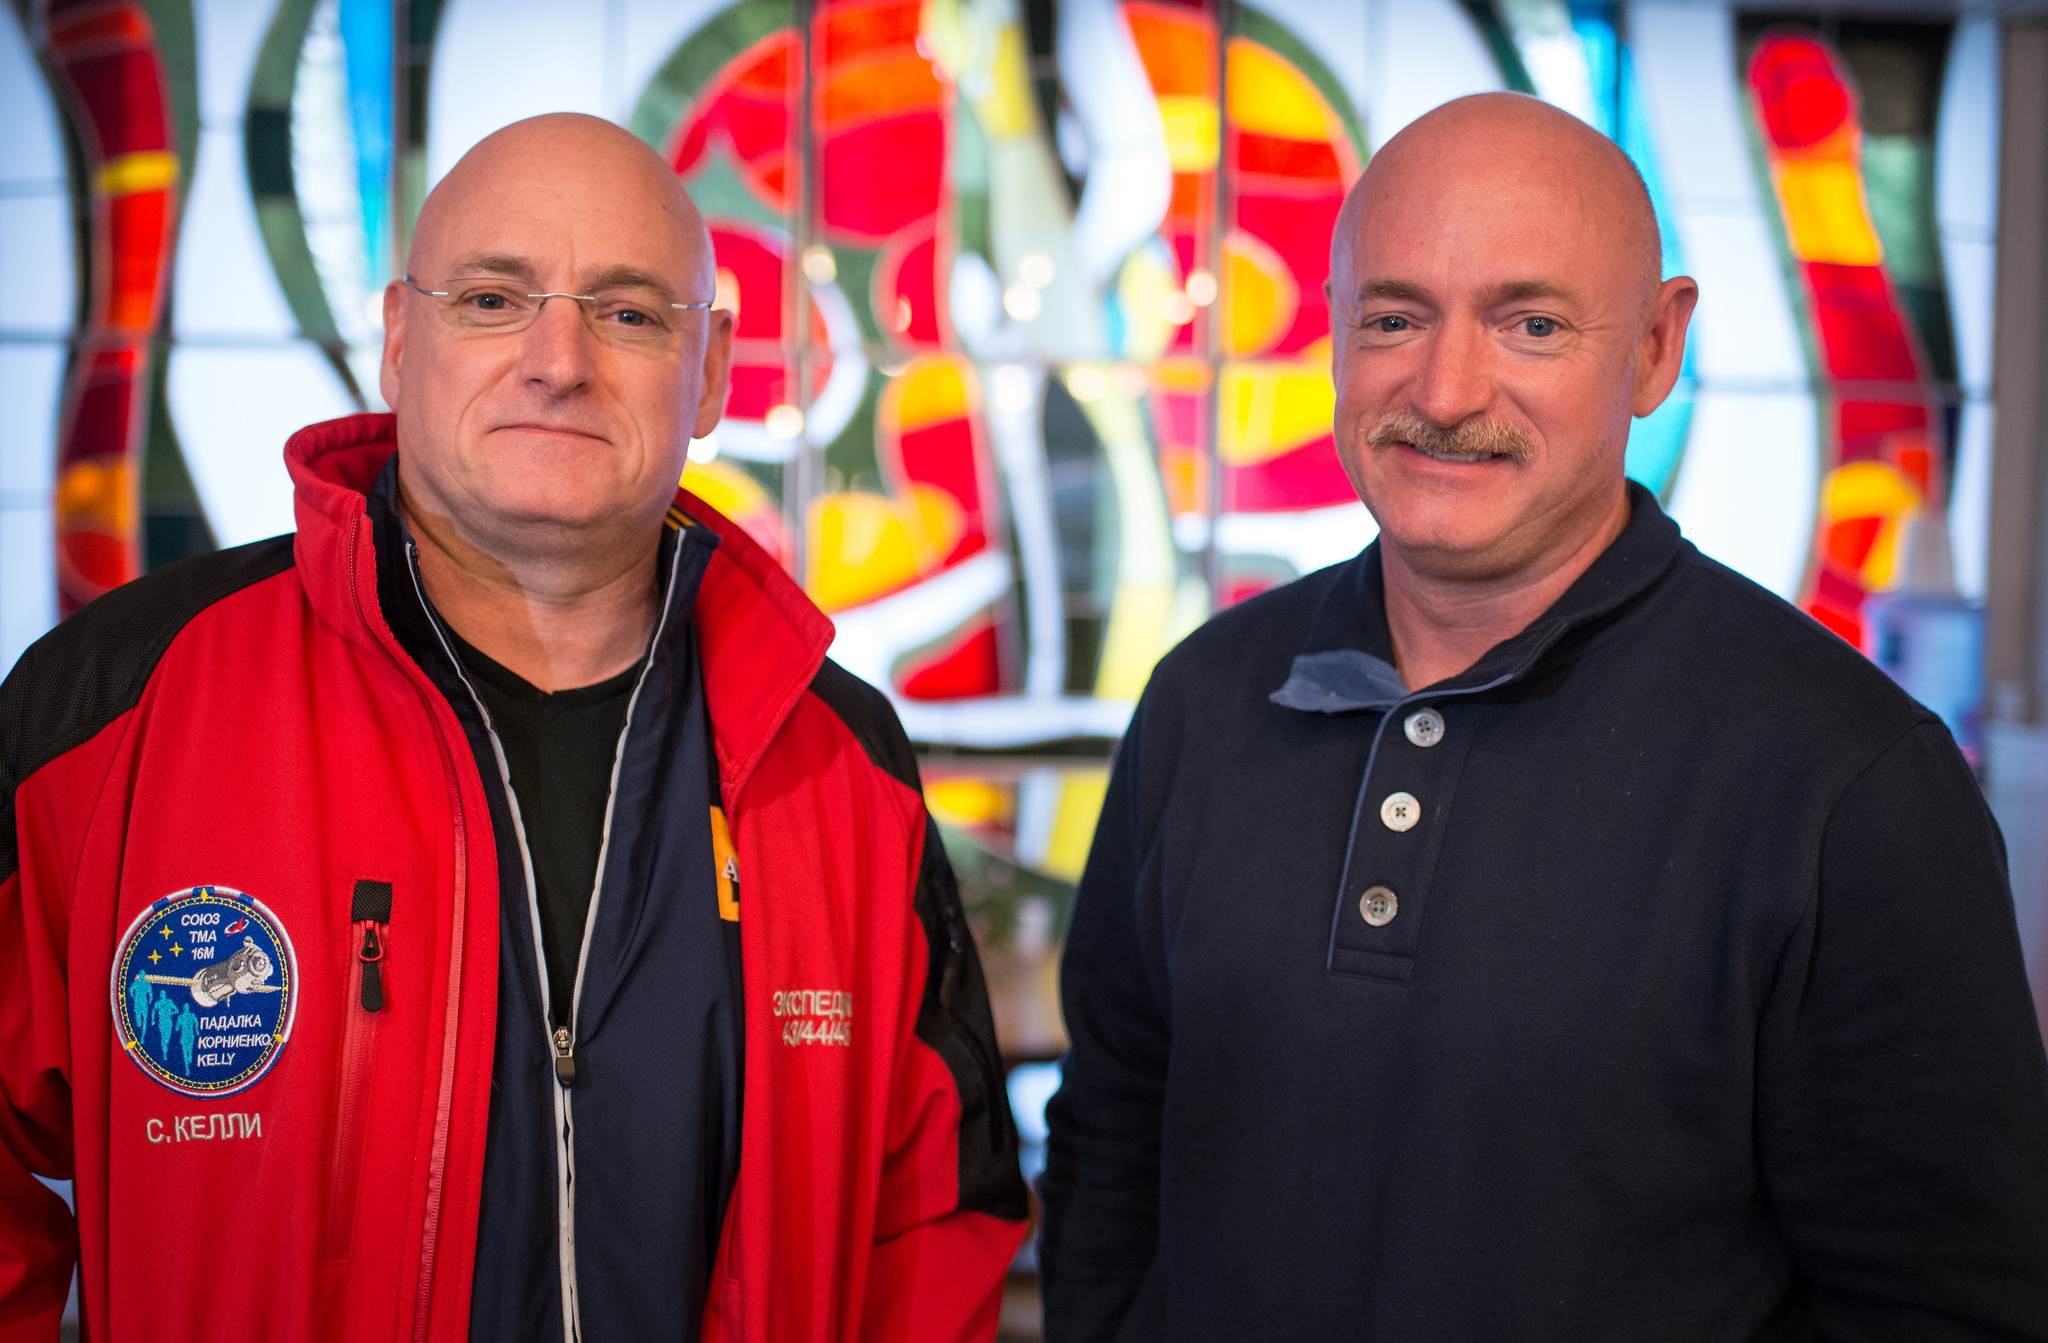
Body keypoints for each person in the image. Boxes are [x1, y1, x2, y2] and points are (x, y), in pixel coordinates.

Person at [0, 113, 1027, 1341]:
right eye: (493, 299)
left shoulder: (838, 763)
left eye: (630, 312)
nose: (558, 360)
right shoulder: (114, 711)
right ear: (396, 341)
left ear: (709, 372)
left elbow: (932, 1231)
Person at [1040, 92, 2048, 1339]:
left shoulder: (1849, 782)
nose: (1447, 389)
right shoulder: (1202, 696)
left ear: (1652, 347)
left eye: (1528, 323)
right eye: (1395, 316)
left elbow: (1943, 1304)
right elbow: (1111, 1132)